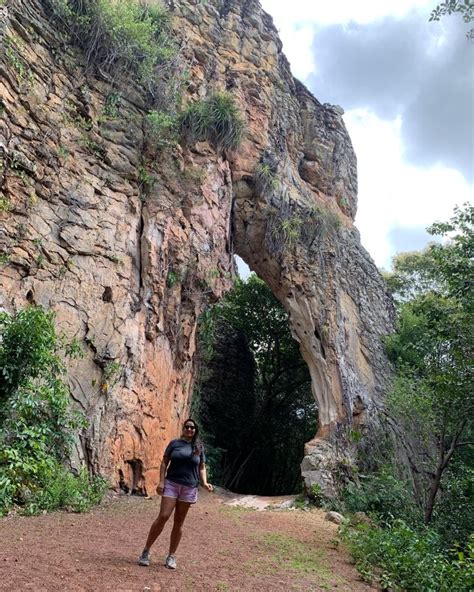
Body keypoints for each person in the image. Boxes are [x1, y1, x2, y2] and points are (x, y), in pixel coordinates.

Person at [138, 418, 213, 569]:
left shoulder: (198, 447)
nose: (190, 429)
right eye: (187, 427)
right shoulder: (174, 444)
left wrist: (204, 482)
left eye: (193, 428)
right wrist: (161, 481)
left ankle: (171, 556)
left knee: (179, 522)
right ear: (183, 428)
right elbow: (164, 462)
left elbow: (202, 466)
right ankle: (146, 551)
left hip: (189, 487)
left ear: (195, 430)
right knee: (163, 516)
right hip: (172, 483)